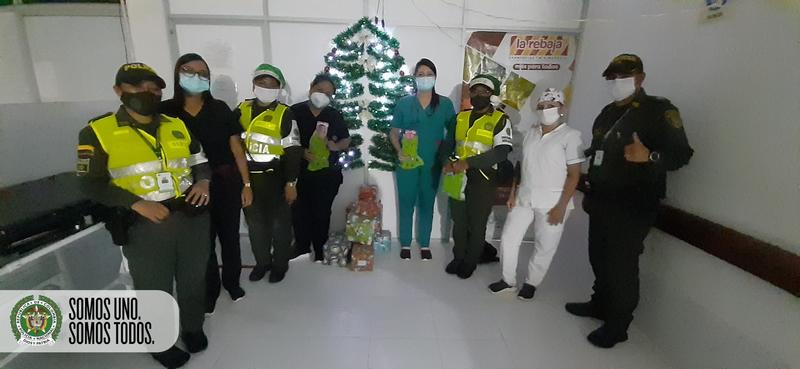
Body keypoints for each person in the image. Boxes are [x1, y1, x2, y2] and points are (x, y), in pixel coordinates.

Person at [77, 62, 211, 368]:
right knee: (153, 285)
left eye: (154, 88)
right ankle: (160, 342)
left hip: (191, 216)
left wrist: (204, 180)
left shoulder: (175, 124)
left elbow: (199, 161)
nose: (148, 93)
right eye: (139, 87)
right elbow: (89, 183)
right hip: (144, 224)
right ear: (119, 91)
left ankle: (192, 327)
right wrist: (136, 203)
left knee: (193, 278)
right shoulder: (98, 131)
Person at [566, 54, 693, 348]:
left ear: (641, 79)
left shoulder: (659, 110)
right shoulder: (607, 113)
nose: (617, 84)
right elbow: (596, 149)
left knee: (621, 265)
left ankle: (618, 324)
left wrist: (649, 156)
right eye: (612, 79)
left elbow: (682, 154)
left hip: (633, 204)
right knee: (598, 256)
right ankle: (599, 304)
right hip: (601, 200)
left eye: (624, 78)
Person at [161, 53, 249, 316]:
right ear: (177, 75)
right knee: (202, 242)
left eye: (202, 73)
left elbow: (236, 148)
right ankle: (209, 290)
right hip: (188, 188)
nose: (196, 77)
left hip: (225, 183)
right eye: (189, 71)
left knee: (229, 237)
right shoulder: (166, 112)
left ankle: (231, 283)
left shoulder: (220, 109)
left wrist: (246, 184)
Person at [488, 88, 584, 300]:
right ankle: (508, 281)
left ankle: (531, 283)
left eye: (551, 106)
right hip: (524, 196)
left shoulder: (571, 136)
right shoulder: (531, 133)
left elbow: (574, 175)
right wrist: (513, 193)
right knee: (509, 238)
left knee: (544, 245)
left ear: (561, 108)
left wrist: (561, 206)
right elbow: (521, 166)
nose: (545, 110)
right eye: (541, 107)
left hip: (553, 202)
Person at [234, 63, 302, 284]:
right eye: (261, 83)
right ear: (253, 84)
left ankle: (280, 265)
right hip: (248, 180)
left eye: (271, 84)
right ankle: (262, 263)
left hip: (276, 178)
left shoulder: (285, 114)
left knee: (280, 226)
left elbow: (293, 151)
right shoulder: (241, 110)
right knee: (255, 226)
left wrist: (291, 183)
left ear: (279, 88)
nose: (266, 87)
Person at [441, 74, 513, 279]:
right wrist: (446, 162)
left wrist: (468, 163)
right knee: (459, 220)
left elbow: (501, 151)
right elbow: (447, 144)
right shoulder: (460, 117)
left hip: (483, 177)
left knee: (478, 222)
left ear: (491, 95)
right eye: (475, 90)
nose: (479, 94)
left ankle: (471, 261)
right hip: (457, 175)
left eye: (484, 91)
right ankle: (458, 257)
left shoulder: (500, 119)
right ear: (470, 94)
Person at [390, 58, 456, 260]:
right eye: (420, 74)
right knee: (406, 202)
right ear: (414, 78)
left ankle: (425, 244)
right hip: (407, 162)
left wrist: (447, 158)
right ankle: (406, 244)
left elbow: (452, 134)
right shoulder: (404, 103)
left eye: (429, 74)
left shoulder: (444, 104)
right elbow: (393, 132)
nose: (425, 77)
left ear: (435, 77)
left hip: (433, 163)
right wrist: (399, 150)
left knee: (427, 203)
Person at [289, 73, 351, 262]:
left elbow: (346, 139)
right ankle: (301, 246)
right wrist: (301, 152)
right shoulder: (294, 112)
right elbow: (284, 140)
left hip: (327, 175)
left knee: (322, 212)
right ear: (311, 88)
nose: (322, 95)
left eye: (328, 93)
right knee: (299, 212)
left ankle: (319, 248)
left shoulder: (334, 115)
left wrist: (336, 146)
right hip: (299, 173)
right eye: (319, 90)